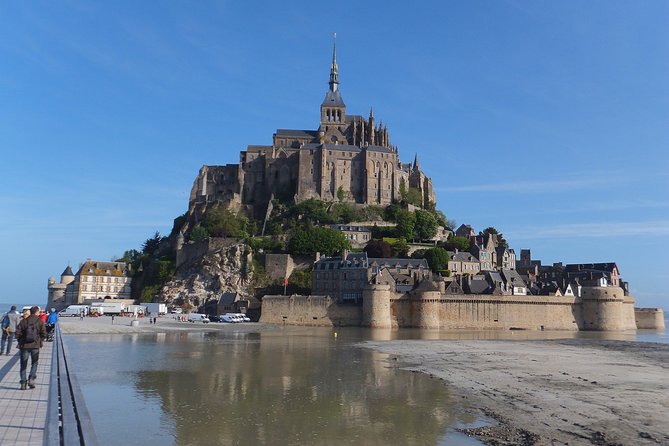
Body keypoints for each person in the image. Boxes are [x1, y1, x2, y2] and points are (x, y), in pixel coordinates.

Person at [15, 306, 46, 390]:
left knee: (23, 364)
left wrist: (21, 340)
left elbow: (17, 333)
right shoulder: (39, 321)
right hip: (35, 346)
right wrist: (40, 340)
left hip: (24, 346)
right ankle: (31, 380)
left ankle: (23, 383)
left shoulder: (24, 321)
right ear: (36, 312)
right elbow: (44, 333)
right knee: (34, 363)